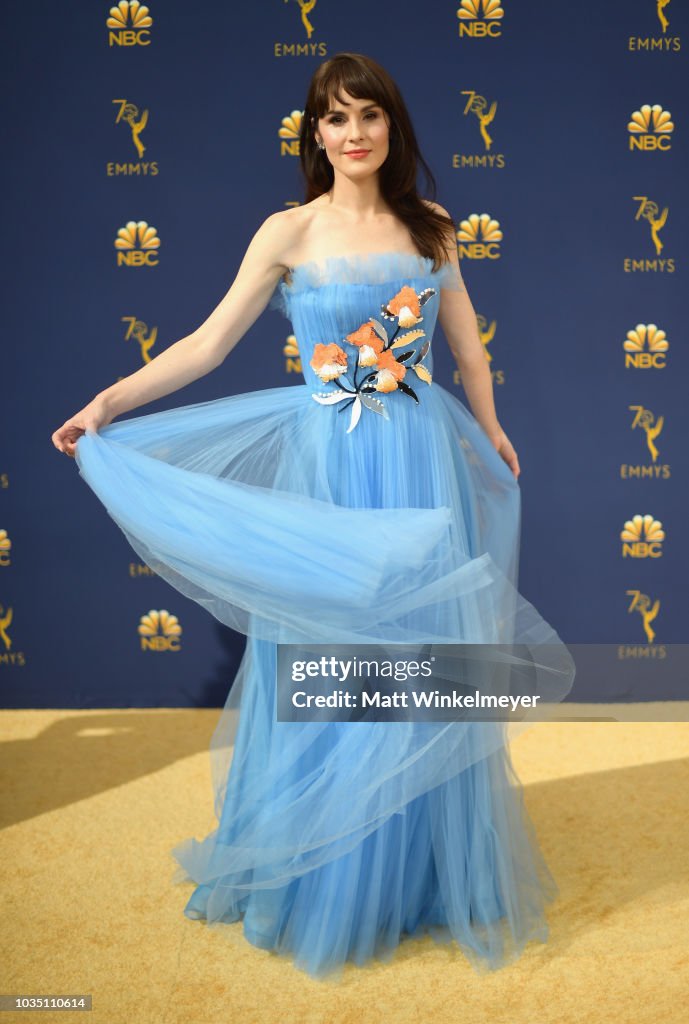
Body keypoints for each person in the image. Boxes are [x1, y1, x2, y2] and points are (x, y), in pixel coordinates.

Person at [52, 52, 575, 981]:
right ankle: (328, 877)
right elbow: (207, 345)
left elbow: (469, 354)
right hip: (332, 463)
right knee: (328, 654)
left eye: (369, 117)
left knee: (421, 657)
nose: (354, 134)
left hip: (420, 461)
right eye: (335, 119)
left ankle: (421, 874)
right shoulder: (286, 232)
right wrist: (107, 403)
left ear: (392, 128)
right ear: (314, 134)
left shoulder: (432, 229)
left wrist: (490, 429)